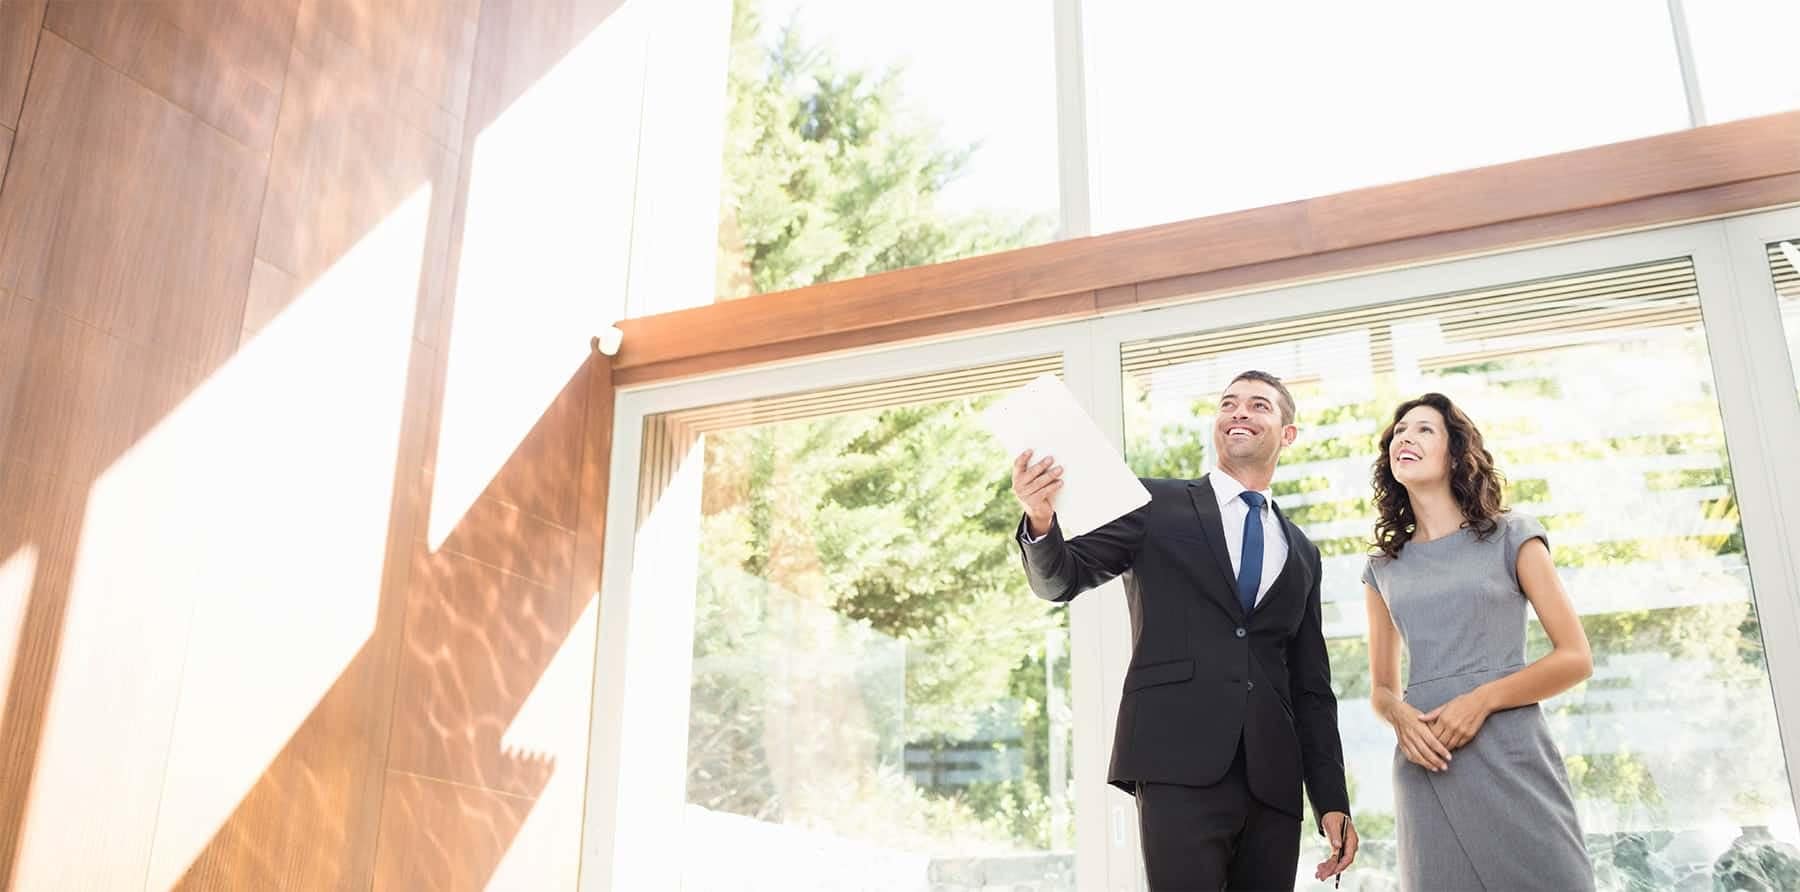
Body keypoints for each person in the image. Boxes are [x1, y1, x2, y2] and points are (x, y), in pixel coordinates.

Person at [1012, 370, 1355, 890]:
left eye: (1259, 405)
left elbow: (1310, 686)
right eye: (1228, 403)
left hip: (1273, 780)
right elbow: (1064, 578)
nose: (1239, 412)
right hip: (1176, 760)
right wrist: (1040, 521)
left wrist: (1331, 798)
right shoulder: (1151, 505)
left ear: (1287, 434)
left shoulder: (1302, 551)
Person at [1361, 392, 1594, 890]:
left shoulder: (1513, 535)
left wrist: (1481, 700)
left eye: (1424, 429)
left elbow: (1575, 658)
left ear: (1456, 451)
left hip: (1512, 756)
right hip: (1428, 763)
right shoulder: (1381, 568)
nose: (1406, 437)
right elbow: (1381, 687)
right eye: (1399, 431)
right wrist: (1399, 715)